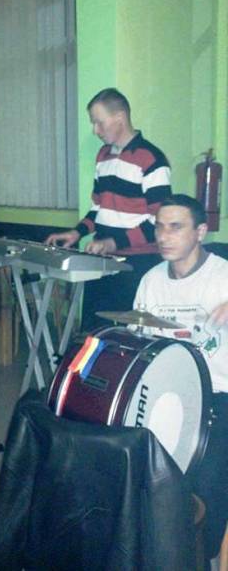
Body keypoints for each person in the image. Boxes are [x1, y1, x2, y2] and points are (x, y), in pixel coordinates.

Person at [134, 194, 228, 563]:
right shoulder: (151, 281)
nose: (163, 236)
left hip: (218, 394)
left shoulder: (222, 275)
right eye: (159, 227)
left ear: (200, 232)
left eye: (176, 227)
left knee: (208, 479)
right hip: (167, 393)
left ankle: (204, 554)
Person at [46, 88, 172, 331]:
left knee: (127, 337)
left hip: (137, 265)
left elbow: (159, 222)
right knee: (93, 332)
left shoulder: (151, 159)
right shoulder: (103, 156)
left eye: (99, 122)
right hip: (103, 260)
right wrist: (77, 232)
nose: (95, 130)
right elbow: (98, 208)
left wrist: (113, 242)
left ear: (120, 118)